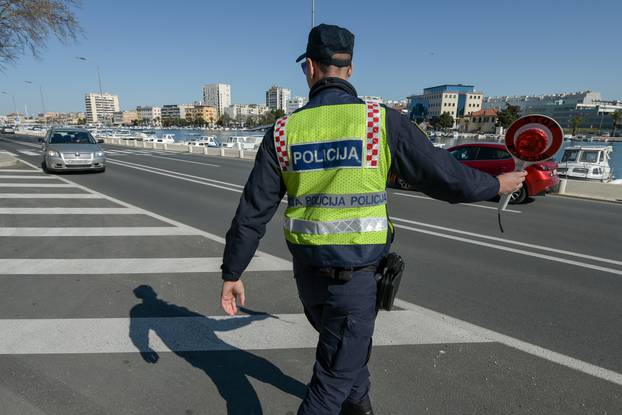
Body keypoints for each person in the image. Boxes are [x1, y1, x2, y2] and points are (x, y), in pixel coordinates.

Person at [219, 23, 526, 415]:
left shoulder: (283, 131)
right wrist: (496, 184)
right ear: (350, 69)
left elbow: (252, 210)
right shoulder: (380, 122)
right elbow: (447, 179)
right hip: (355, 280)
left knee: (346, 355)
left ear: (310, 68)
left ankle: (360, 408)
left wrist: (233, 272)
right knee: (331, 380)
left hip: (308, 279)